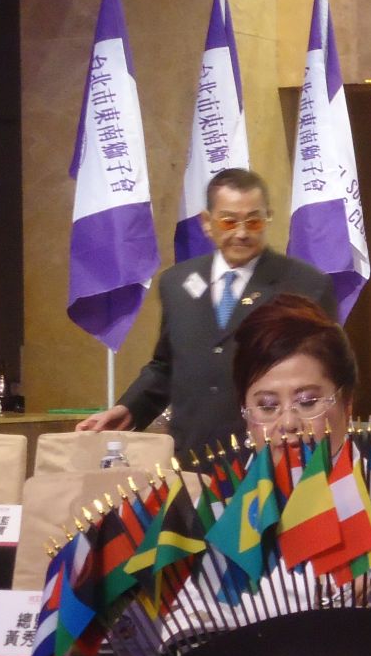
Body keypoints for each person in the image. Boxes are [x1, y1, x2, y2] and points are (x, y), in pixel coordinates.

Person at [76, 169, 337, 456]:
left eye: (253, 221)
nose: (241, 233)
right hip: (192, 457)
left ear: (268, 218)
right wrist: (128, 409)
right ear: (206, 223)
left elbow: (328, 378)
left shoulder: (305, 286)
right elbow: (166, 366)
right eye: (229, 222)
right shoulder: (176, 284)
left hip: (273, 457)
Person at [233, 293, 354, 455]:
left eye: (307, 402)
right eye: (268, 406)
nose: (289, 423)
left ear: (347, 405)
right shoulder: (225, 473)